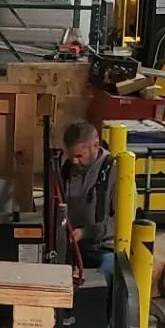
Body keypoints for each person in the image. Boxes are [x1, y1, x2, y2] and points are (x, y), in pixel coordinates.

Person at [59, 119, 115, 278]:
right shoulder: (68, 169)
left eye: (79, 156)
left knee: (104, 278)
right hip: (73, 246)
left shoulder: (115, 171)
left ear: (95, 146)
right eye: (71, 157)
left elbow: (122, 222)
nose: (75, 161)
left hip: (104, 248)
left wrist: (86, 232)